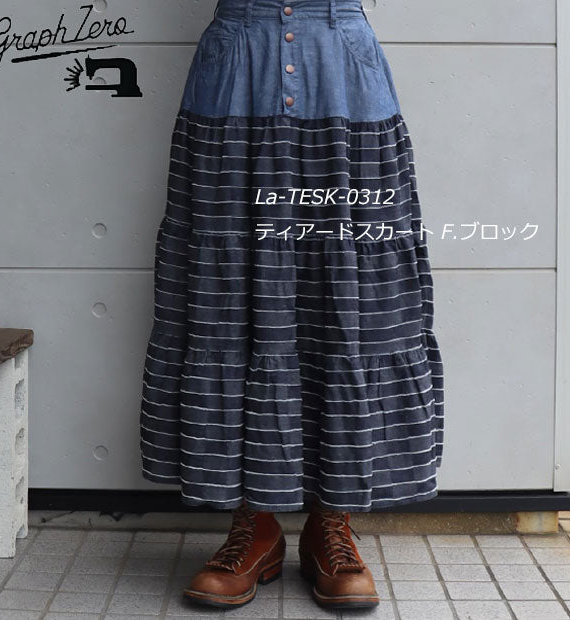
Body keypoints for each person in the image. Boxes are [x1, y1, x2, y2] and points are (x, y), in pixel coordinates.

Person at [140, 0, 445, 609]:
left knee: (351, 299)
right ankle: (253, 528)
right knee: (230, 296)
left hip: (342, 72)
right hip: (237, 70)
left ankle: (331, 525)